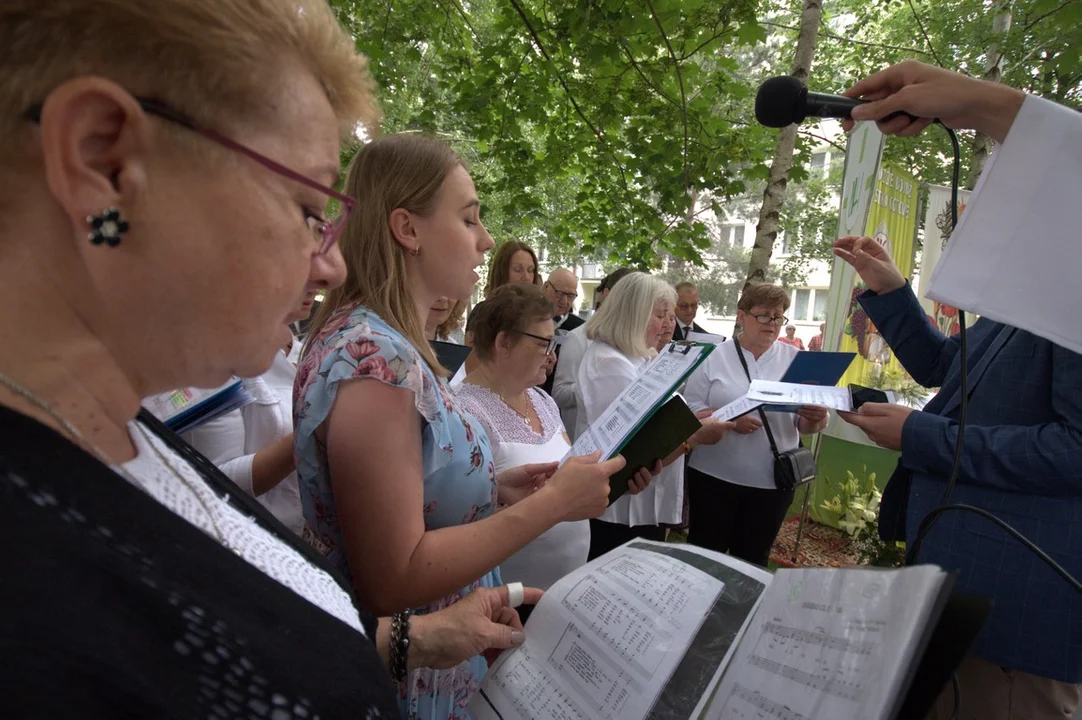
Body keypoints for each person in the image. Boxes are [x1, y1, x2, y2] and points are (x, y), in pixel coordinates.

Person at [0, 1, 549, 716]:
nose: (326, 265)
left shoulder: (114, 438)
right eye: (304, 206)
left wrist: (417, 639)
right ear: (103, 161)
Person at [294, 134, 626, 717]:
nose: (486, 240)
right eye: (469, 218)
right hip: (409, 678)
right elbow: (392, 577)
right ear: (409, 228)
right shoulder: (377, 363)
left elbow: (405, 492)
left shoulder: (382, 343)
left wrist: (494, 491)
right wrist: (549, 506)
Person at [834, 236, 1082, 719]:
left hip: (1016, 610)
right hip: (957, 593)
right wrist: (891, 291)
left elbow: (1075, 450)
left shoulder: (1070, 295)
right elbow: (947, 366)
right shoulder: (1028, 294)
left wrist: (923, 436)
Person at [456, 285, 654, 604]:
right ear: (503, 341)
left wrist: (620, 476)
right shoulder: (463, 412)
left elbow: (564, 472)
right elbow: (462, 523)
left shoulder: (542, 400)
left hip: (564, 585)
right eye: (544, 343)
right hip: (506, 596)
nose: (553, 355)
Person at [577, 272, 732, 559]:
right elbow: (634, 447)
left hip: (640, 505)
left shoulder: (637, 356)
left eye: (669, 316)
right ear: (634, 315)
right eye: (660, 315)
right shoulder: (611, 364)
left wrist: (689, 420)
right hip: (620, 513)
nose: (667, 326)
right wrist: (694, 434)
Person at [683, 285, 829, 566]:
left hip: (772, 481)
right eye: (764, 316)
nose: (772, 324)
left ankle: (741, 610)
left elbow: (804, 425)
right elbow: (690, 408)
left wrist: (815, 417)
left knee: (752, 559)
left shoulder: (796, 360)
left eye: (778, 317)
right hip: (714, 476)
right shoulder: (713, 356)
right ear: (741, 316)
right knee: (703, 555)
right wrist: (729, 419)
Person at [552, 268, 633, 439]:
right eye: (626, 297)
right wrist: (590, 384)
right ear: (606, 294)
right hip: (580, 439)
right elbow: (559, 394)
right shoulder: (578, 337)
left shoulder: (633, 340)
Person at [544, 268, 584, 332]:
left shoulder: (579, 329)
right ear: (546, 287)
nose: (564, 302)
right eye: (559, 293)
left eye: (570, 296)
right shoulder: (526, 317)